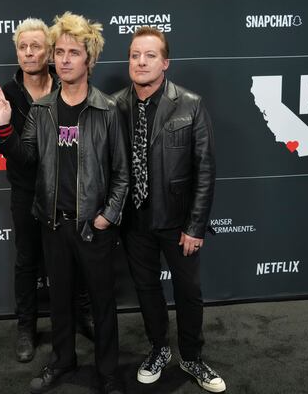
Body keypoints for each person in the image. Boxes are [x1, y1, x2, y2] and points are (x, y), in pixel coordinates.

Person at [0, 12, 128, 394]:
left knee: (101, 304)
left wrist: (107, 216)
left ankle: (109, 372)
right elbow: (26, 157)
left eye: (73, 53)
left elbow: (122, 174)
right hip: (52, 223)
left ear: (89, 60)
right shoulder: (43, 109)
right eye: (60, 52)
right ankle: (63, 360)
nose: (64, 59)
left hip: (92, 225)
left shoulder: (107, 109)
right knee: (61, 300)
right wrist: (3, 127)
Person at [113, 26, 226, 393]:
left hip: (179, 223)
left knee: (188, 292)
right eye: (134, 55)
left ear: (165, 62)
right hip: (134, 221)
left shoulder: (191, 104)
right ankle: (159, 349)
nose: (140, 62)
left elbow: (205, 170)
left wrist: (195, 226)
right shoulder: (115, 106)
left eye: (149, 55)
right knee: (147, 290)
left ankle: (192, 356)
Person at [0, 17, 92, 364]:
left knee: (74, 258)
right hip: (26, 192)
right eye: (22, 47)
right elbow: (18, 155)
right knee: (28, 261)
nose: (29, 53)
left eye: (36, 46)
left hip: (67, 189)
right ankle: (26, 328)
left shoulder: (68, 85)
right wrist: (2, 127)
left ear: (49, 52)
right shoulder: (7, 94)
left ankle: (82, 316)